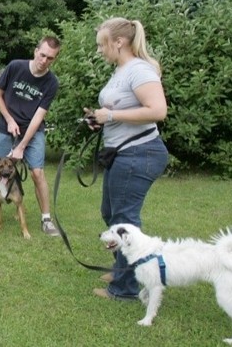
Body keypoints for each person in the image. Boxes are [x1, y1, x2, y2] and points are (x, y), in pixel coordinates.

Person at [85, 17, 168, 301]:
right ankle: (124, 271)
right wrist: (100, 119)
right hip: (123, 153)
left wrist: (110, 116)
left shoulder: (139, 70)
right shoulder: (121, 70)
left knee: (125, 220)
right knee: (111, 215)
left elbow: (157, 110)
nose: (99, 50)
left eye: (102, 44)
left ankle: (126, 289)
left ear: (119, 42)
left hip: (139, 153)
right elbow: (118, 109)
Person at [0, 36, 62, 237]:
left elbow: (38, 117)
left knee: (37, 173)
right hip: (7, 127)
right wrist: (9, 119)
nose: (44, 61)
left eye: (50, 58)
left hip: (33, 129)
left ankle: (46, 219)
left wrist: (22, 145)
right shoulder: (15, 67)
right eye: (42, 55)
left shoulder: (51, 83)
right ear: (35, 51)